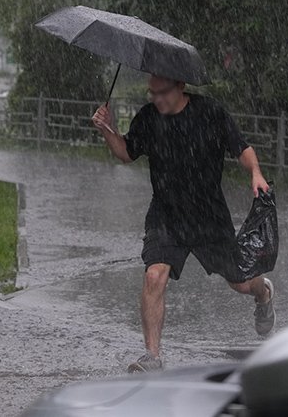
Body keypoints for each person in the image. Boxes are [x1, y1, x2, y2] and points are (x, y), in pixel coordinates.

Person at [91, 74, 275, 373]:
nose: (157, 99)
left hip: (208, 217)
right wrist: (106, 129)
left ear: (180, 87)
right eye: (152, 94)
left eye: (162, 93)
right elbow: (126, 153)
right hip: (166, 215)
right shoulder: (149, 117)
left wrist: (255, 172)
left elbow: (242, 148)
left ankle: (263, 292)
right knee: (154, 276)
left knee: (241, 283)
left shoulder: (210, 112)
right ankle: (152, 356)